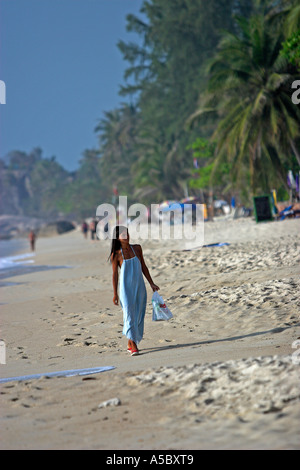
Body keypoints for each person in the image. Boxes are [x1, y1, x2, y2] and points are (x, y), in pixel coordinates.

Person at [109, 225, 159, 356]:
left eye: (127, 233)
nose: (126, 236)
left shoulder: (137, 248)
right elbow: (115, 275)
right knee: (129, 314)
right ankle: (134, 345)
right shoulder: (116, 254)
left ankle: (130, 342)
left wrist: (152, 283)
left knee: (138, 314)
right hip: (126, 289)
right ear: (118, 238)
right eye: (123, 235)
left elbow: (143, 266)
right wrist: (115, 293)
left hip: (139, 287)